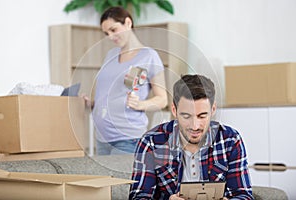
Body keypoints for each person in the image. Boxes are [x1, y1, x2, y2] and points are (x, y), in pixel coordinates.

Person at [129, 74, 253, 199]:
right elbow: (139, 197)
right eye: (186, 116)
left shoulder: (230, 140)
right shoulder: (150, 142)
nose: (195, 126)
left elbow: (243, 195)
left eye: (202, 116)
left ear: (213, 109)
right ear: (174, 110)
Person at [86, 6, 167, 155]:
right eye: (106, 33)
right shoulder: (110, 55)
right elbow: (109, 94)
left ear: (128, 23)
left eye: (113, 30)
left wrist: (140, 104)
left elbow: (162, 99)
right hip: (102, 138)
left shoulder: (149, 56)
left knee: (122, 179)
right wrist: (91, 103)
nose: (110, 36)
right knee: (103, 179)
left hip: (128, 139)